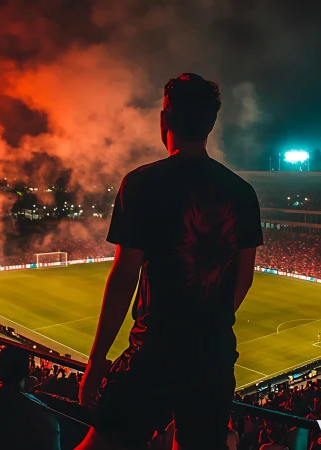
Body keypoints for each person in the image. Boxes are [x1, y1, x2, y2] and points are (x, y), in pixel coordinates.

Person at [76, 73, 263, 450]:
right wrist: (208, 322)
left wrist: (98, 359)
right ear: (211, 124)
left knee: (103, 443)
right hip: (214, 356)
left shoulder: (142, 183)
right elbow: (244, 278)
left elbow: (125, 274)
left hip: (154, 351)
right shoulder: (243, 193)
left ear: (165, 120)